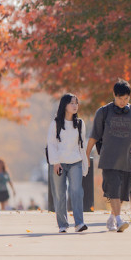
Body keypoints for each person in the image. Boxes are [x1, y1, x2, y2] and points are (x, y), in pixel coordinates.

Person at [86, 79, 131, 232]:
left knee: (122, 194)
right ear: (114, 95)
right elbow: (94, 135)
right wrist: (86, 154)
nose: (123, 101)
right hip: (109, 159)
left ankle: (112, 218)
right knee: (113, 189)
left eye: (126, 98)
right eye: (120, 98)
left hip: (127, 160)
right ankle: (119, 220)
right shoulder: (104, 112)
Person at [46, 93, 89, 233]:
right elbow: (51, 144)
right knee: (59, 193)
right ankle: (63, 224)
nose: (75, 105)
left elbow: (81, 145)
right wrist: (55, 162)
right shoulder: (56, 123)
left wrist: (85, 163)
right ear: (64, 105)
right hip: (59, 163)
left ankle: (79, 223)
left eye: (76, 103)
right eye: (72, 103)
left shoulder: (80, 123)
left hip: (75, 161)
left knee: (76, 191)